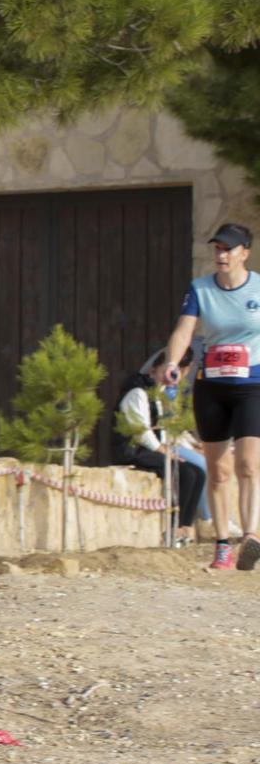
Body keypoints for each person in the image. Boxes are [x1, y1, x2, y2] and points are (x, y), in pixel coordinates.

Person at [160, 222, 260, 571]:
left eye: (229, 248)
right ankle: (221, 546)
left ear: (244, 252)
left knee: (249, 463)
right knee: (218, 471)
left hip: (252, 385)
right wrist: (172, 361)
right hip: (211, 387)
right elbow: (184, 329)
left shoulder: (259, 289)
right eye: (217, 248)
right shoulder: (200, 289)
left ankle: (251, 536)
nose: (222, 254)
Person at [116, 348, 207, 545]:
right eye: (165, 371)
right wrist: (163, 451)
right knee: (185, 473)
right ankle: (173, 527)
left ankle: (184, 526)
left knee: (197, 472)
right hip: (134, 450)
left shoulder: (157, 395)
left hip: (151, 449)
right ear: (154, 370)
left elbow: (164, 428)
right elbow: (141, 431)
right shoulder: (137, 392)